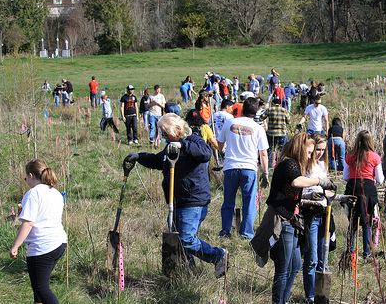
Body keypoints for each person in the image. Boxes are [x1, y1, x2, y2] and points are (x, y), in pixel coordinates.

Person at [125, 114, 228, 278]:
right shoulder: (170, 146)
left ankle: (217, 256)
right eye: (162, 133)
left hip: (193, 200)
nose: (163, 136)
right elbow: (159, 160)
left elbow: (206, 154)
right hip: (176, 201)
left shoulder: (194, 140)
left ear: (178, 129)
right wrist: (139, 157)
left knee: (185, 238)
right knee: (178, 240)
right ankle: (190, 274)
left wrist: (183, 146)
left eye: (165, 133)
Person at [250, 133, 338, 304]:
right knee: (283, 268)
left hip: (292, 221)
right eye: (309, 152)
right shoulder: (288, 164)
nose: (310, 155)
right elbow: (296, 183)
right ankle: (279, 301)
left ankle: (284, 299)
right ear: (300, 149)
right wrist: (319, 181)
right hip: (282, 221)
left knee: (296, 264)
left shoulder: (294, 165)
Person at [301, 133, 355, 303]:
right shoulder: (304, 166)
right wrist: (311, 195)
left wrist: (340, 197)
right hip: (310, 215)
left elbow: (326, 192)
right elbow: (300, 189)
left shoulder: (322, 165)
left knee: (323, 257)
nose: (319, 153)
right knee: (311, 258)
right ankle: (310, 295)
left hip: (324, 214)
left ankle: (320, 295)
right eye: (317, 149)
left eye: (323, 150)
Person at [9, 159, 67, 304]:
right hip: (59, 244)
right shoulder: (55, 193)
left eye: (25, 178)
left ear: (30, 175)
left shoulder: (33, 194)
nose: (26, 180)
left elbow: (28, 223)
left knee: (41, 288)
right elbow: (43, 216)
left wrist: (15, 246)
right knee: (39, 287)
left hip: (42, 246)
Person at [217, 97, 269, 239]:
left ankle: (225, 233)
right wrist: (265, 173)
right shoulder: (258, 128)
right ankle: (246, 234)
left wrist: (224, 151)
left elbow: (220, 145)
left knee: (228, 202)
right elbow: (263, 154)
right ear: (256, 111)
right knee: (249, 203)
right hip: (249, 168)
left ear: (242, 109)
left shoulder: (230, 123)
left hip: (230, 168)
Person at [343, 130, 384, 260]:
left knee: (353, 222)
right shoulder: (375, 157)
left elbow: (345, 176)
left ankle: (350, 251)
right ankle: (367, 253)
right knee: (367, 223)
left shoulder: (350, 156)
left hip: (353, 189)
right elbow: (380, 179)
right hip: (368, 190)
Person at [261, 98, 290, 166]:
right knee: (281, 150)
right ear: (280, 104)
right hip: (282, 133)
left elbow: (261, 118)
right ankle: (280, 165)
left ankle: (269, 165)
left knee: (270, 150)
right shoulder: (284, 110)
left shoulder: (270, 109)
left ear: (273, 103)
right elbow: (288, 121)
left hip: (271, 134)